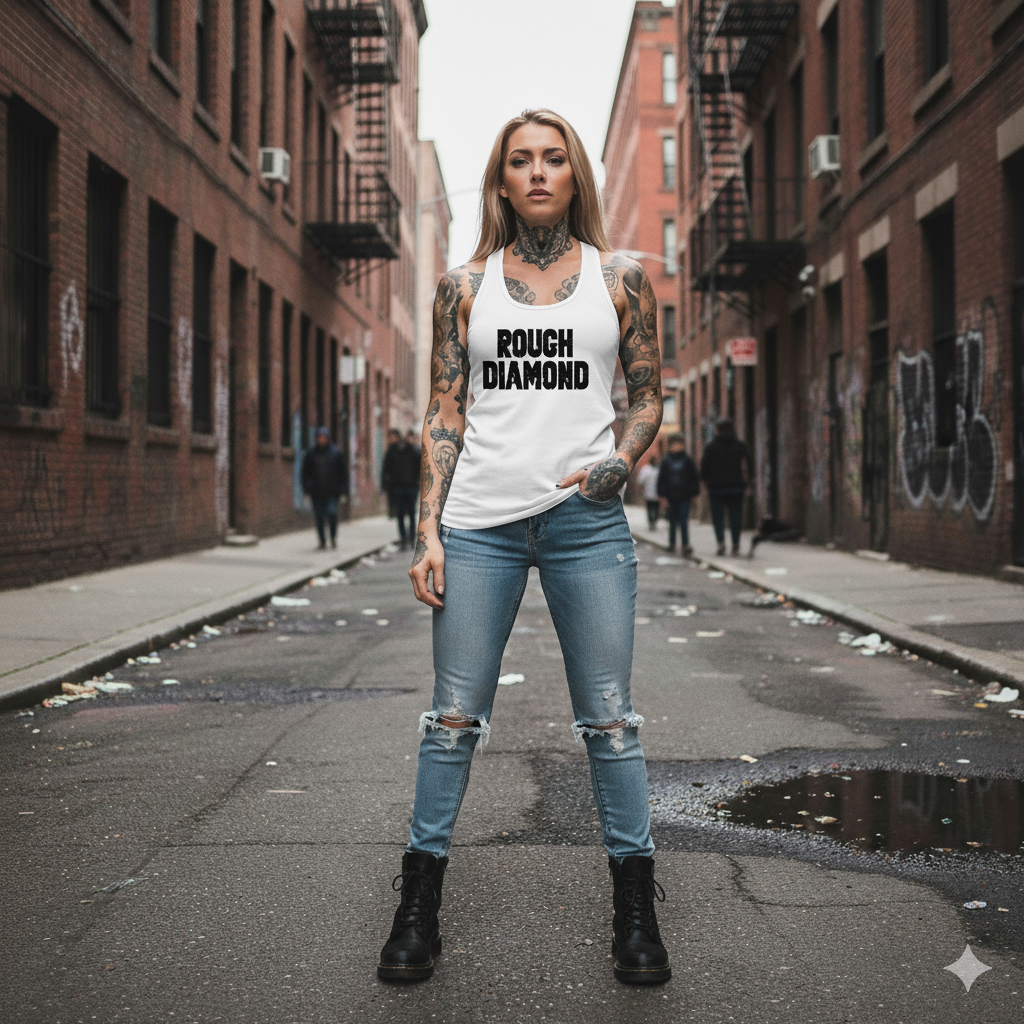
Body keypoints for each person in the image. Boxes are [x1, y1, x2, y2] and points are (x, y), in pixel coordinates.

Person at [378, 109, 670, 986]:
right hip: (480, 525)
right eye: (520, 160)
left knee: (610, 722)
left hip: (586, 523)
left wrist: (620, 463)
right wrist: (428, 532)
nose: (538, 172)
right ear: (501, 181)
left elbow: (648, 396)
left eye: (553, 158)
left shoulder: (620, 279)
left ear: (575, 174)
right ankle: (417, 906)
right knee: (453, 719)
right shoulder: (462, 287)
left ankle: (636, 909)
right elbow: (445, 412)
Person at [699, 418, 751, 556]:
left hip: (716, 487)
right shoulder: (740, 445)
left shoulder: (710, 446)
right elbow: (748, 463)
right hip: (736, 486)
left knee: (718, 518)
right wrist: (748, 482)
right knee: (735, 517)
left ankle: (721, 543)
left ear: (717, 430)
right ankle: (735, 545)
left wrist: (705, 480)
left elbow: (704, 466)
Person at [300, 427, 348, 549]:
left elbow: (342, 473)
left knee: (332, 514)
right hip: (316, 492)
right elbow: (305, 473)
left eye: (323, 437)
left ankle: (333, 538)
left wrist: (342, 490)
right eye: (319, 437)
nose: (321, 440)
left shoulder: (336, 453)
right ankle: (322, 541)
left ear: (327, 438)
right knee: (319, 517)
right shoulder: (311, 454)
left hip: (332, 491)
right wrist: (306, 489)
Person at [656, 434, 700, 555]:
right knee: (672, 522)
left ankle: (685, 544)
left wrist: (694, 493)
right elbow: (662, 479)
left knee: (684, 521)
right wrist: (662, 495)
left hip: (684, 496)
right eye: (674, 444)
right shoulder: (666, 461)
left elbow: (694, 477)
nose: (677, 446)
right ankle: (672, 544)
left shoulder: (687, 460)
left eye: (679, 444)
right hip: (671, 496)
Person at [382, 428, 421, 550]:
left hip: (412, 487)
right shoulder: (392, 451)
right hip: (397, 488)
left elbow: (420, 467)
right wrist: (386, 486)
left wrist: (418, 482)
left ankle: (412, 538)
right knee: (400, 514)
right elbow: (386, 470)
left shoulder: (415, 451)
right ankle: (403, 538)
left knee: (411, 514)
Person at [636, 456, 660, 530]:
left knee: (656, 509)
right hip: (648, 493)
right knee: (650, 508)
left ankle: (654, 521)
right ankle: (651, 522)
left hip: (657, 493)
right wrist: (640, 491)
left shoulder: (658, 470)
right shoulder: (646, 470)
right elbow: (640, 481)